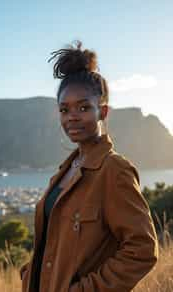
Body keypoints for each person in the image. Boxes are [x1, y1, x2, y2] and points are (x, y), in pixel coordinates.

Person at [20, 40, 158, 292]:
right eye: (64, 109)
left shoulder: (113, 170)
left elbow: (143, 249)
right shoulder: (65, 171)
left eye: (83, 107)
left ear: (103, 112)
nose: (72, 116)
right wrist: (30, 274)